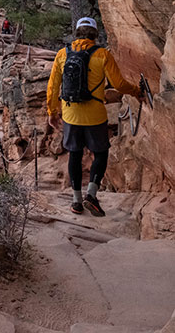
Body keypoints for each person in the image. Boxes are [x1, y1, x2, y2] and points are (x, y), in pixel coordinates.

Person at [47, 16, 142, 217]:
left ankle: (76, 201)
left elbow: (53, 87)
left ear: (77, 32)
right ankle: (91, 194)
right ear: (94, 34)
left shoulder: (62, 54)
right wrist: (136, 91)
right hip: (95, 115)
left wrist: (52, 112)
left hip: (70, 113)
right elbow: (119, 84)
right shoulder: (102, 54)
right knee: (100, 153)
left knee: (74, 154)